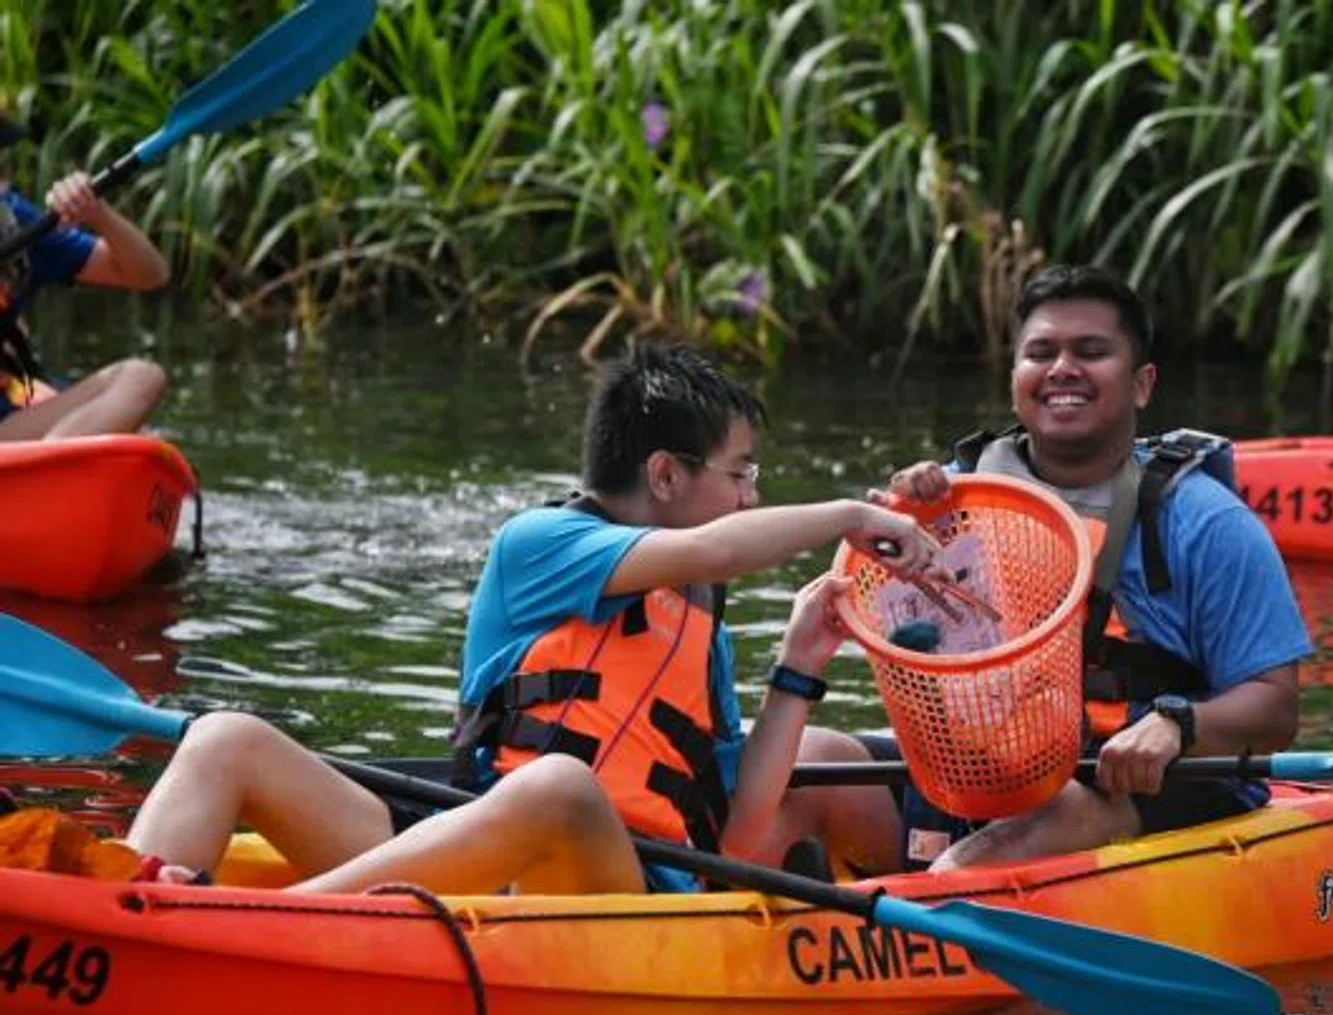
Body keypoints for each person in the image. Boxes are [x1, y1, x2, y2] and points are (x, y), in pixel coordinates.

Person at [123, 342, 945, 894]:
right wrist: (846, 514)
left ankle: (277, 922)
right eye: (740, 473)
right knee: (224, 736)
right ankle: (127, 905)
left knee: (559, 788)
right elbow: (724, 550)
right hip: (478, 846)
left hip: (612, 884)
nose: (750, 496)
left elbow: (735, 835)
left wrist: (800, 664)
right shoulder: (544, 543)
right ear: (664, 473)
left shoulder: (699, 628)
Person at [795, 264, 1313, 872]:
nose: (1063, 368)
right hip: (978, 778)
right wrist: (896, 524)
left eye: (1091, 352)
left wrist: (1179, 723)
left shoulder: (1207, 522)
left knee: (1009, 840)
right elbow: (892, 621)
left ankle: (949, 890)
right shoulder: (953, 497)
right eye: (1041, 352)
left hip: (1133, 787)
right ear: (1015, 378)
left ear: (1142, 384)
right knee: (803, 759)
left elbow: (1277, 712)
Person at [0, 114, 170, 441]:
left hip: (7, 428)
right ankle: (48, 472)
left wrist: (97, 213)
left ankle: (46, 474)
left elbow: (150, 274)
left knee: (139, 385)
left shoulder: (12, 222)